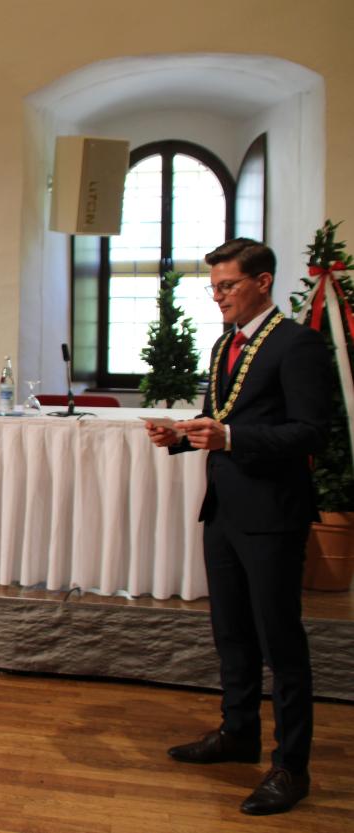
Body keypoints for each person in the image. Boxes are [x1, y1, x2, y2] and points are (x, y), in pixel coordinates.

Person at [145, 238, 329, 815]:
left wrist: (232, 438)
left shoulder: (297, 345)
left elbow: (311, 432)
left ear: (264, 282)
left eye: (227, 285)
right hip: (223, 507)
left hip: (273, 514)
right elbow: (221, 419)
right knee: (231, 633)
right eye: (214, 287)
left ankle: (291, 767)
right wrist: (183, 435)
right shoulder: (226, 343)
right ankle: (239, 733)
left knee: (281, 642)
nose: (218, 297)